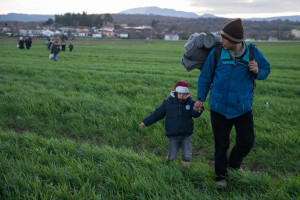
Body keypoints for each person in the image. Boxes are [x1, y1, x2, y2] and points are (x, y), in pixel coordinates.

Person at [193, 18, 270, 188]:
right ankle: (221, 177)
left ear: (235, 40)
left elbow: (266, 70)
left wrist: (257, 71)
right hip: (219, 108)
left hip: (242, 108)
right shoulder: (218, 52)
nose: (220, 40)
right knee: (221, 145)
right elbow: (205, 77)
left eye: (224, 38)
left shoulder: (252, 52)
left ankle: (234, 165)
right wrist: (200, 98)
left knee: (247, 142)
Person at [140, 81, 203, 167]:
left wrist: (198, 111)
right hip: (173, 135)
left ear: (187, 93)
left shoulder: (191, 103)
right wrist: (145, 122)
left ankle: (186, 170)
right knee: (172, 155)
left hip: (186, 134)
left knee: (187, 155)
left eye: (184, 94)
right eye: (180, 93)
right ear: (175, 92)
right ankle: (167, 166)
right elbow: (157, 114)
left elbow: (194, 114)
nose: (182, 95)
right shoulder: (167, 103)